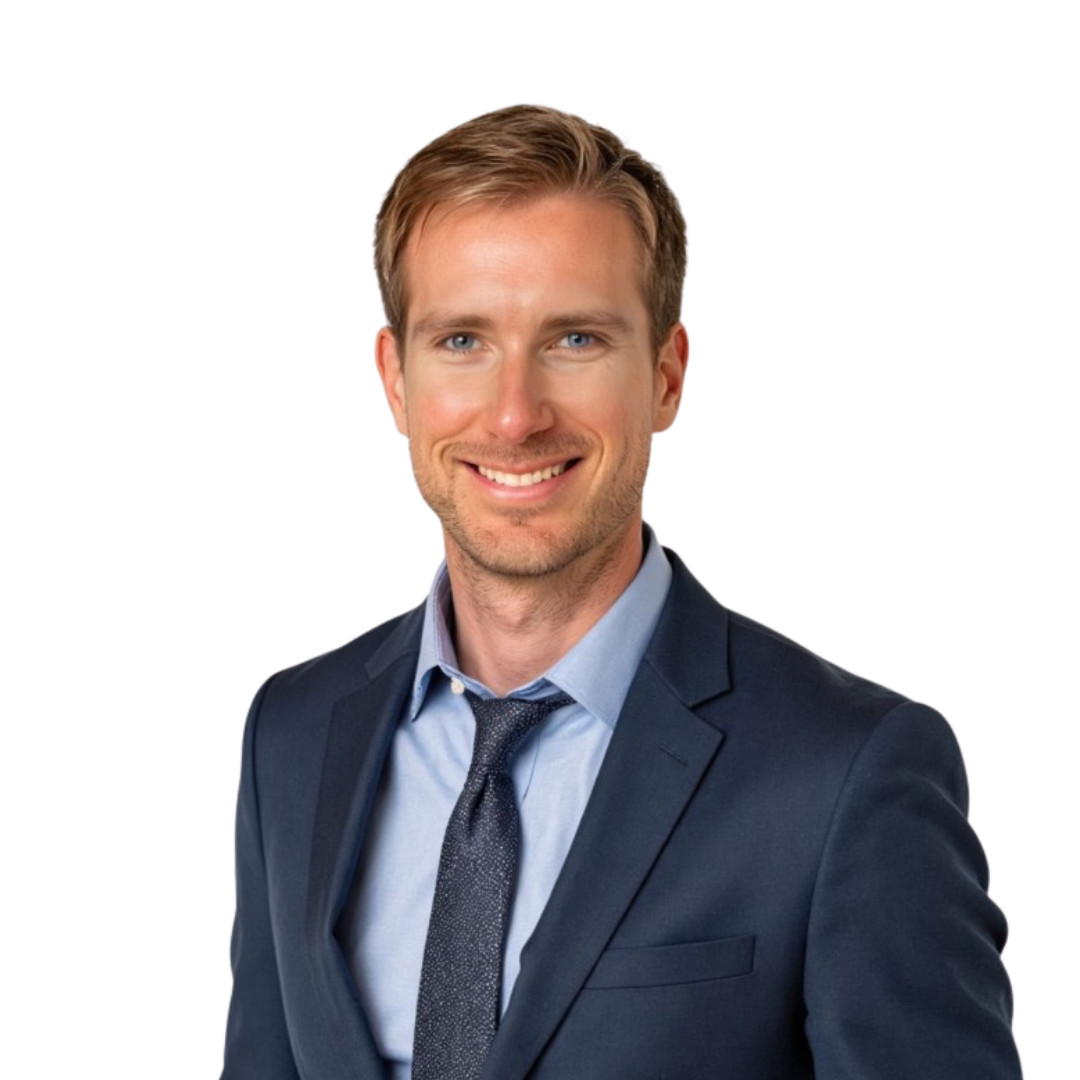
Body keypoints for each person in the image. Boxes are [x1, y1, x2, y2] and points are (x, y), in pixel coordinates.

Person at [220, 105, 1021, 1080]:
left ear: (668, 374)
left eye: (576, 340)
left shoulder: (846, 776)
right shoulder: (294, 737)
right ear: (396, 379)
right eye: (463, 340)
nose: (515, 415)